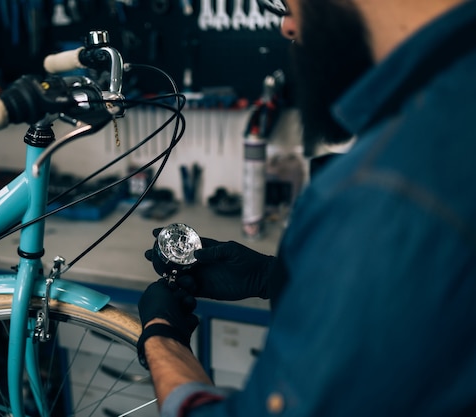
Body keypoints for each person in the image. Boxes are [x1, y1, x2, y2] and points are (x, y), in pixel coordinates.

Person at [136, 0, 476, 415]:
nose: (288, 26)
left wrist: (162, 337)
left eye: (289, 3)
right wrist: (272, 277)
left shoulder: (384, 189)